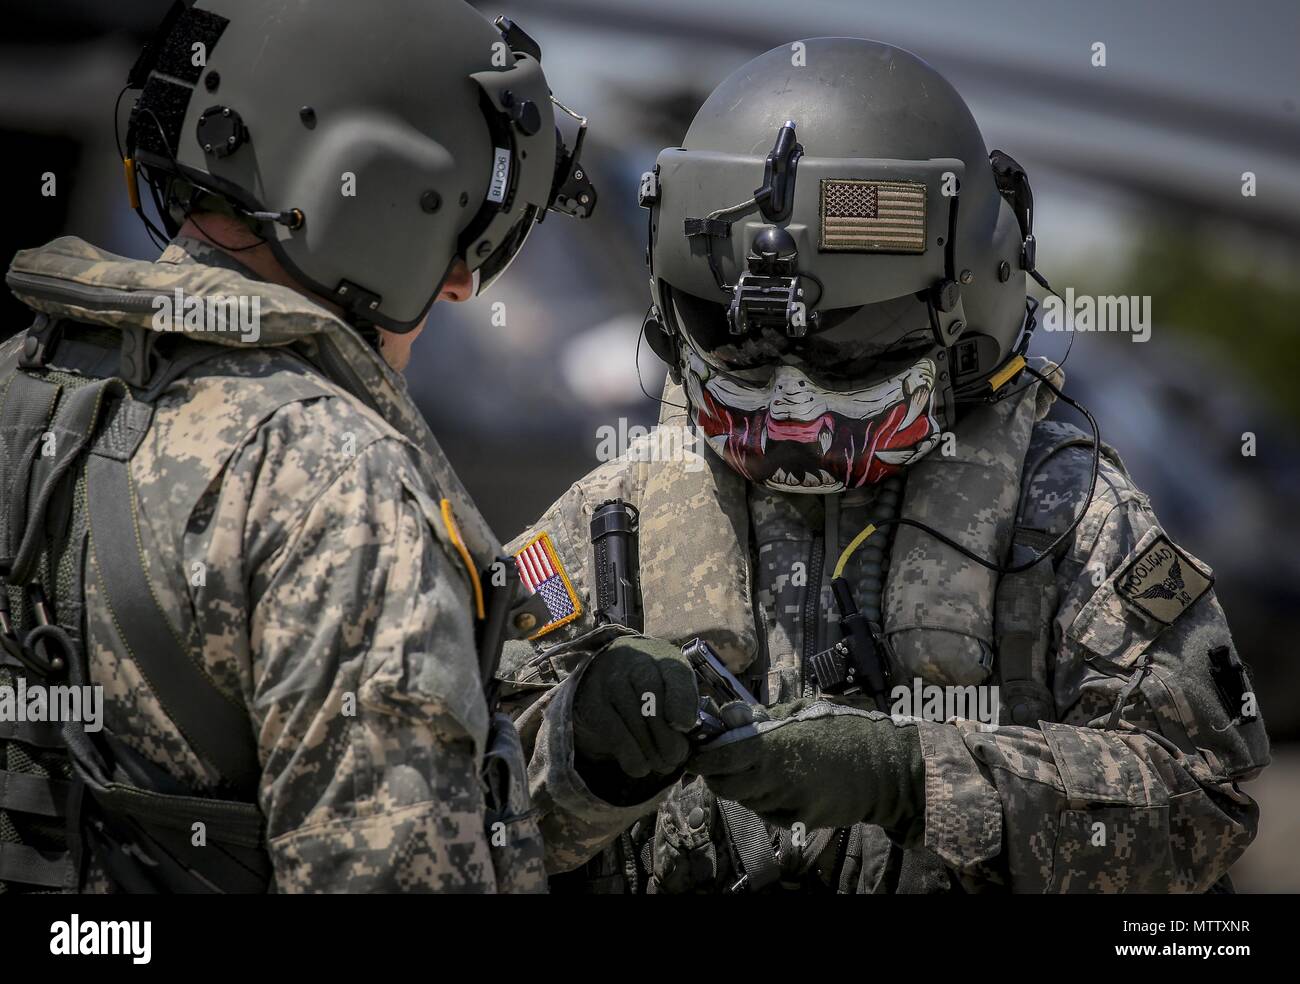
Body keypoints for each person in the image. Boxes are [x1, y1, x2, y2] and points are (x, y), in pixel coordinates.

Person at [500, 37, 1269, 893]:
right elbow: (448, 819)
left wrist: (914, 779)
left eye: (849, 346)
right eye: (742, 343)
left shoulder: (1067, 515)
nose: (789, 401)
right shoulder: (613, 519)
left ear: (969, 305)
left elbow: (1200, 808)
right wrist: (580, 756)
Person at [0, 0, 594, 893]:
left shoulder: (21, 379)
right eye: (465, 233)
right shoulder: (337, 484)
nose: (464, 285)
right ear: (378, 188)